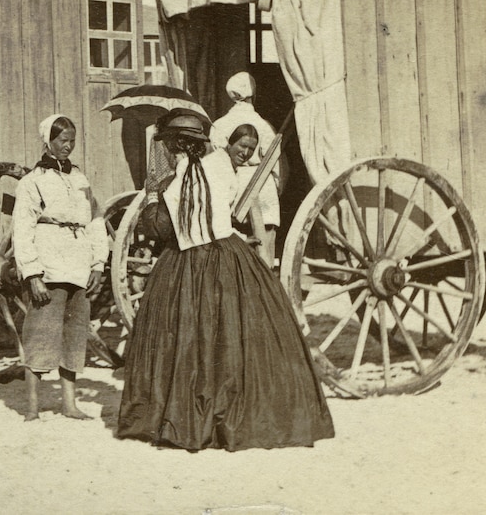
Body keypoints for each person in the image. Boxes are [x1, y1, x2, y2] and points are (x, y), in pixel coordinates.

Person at [117, 107, 334, 451]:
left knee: (191, 336)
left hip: (189, 258)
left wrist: (155, 197)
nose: (170, 150)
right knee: (224, 334)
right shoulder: (215, 168)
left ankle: (190, 414)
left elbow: (162, 228)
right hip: (223, 253)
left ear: (175, 145)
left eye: (171, 145)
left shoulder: (176, 179)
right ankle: (216, 413)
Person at [12, 114, 107, 421]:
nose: (68, 146)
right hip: (49, 263)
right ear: (48, 141)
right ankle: (32, 406)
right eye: (62, 140)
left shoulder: (80, 180)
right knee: (40, 333)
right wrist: (33, 274)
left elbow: (95, 221)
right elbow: (22, 229)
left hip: (78, 262)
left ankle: (69, 403)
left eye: (72, 141)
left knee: (74, 334)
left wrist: (98, 263)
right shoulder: (32, 182)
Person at [209, 72, 281, 262]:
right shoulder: (265, 126)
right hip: (262, 183)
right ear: (253, 94)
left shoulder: (219, 125)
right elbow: (277, 164)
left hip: (232, 183)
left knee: (235, 244)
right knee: (264, 247)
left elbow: (217, 159)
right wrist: (276, 186)